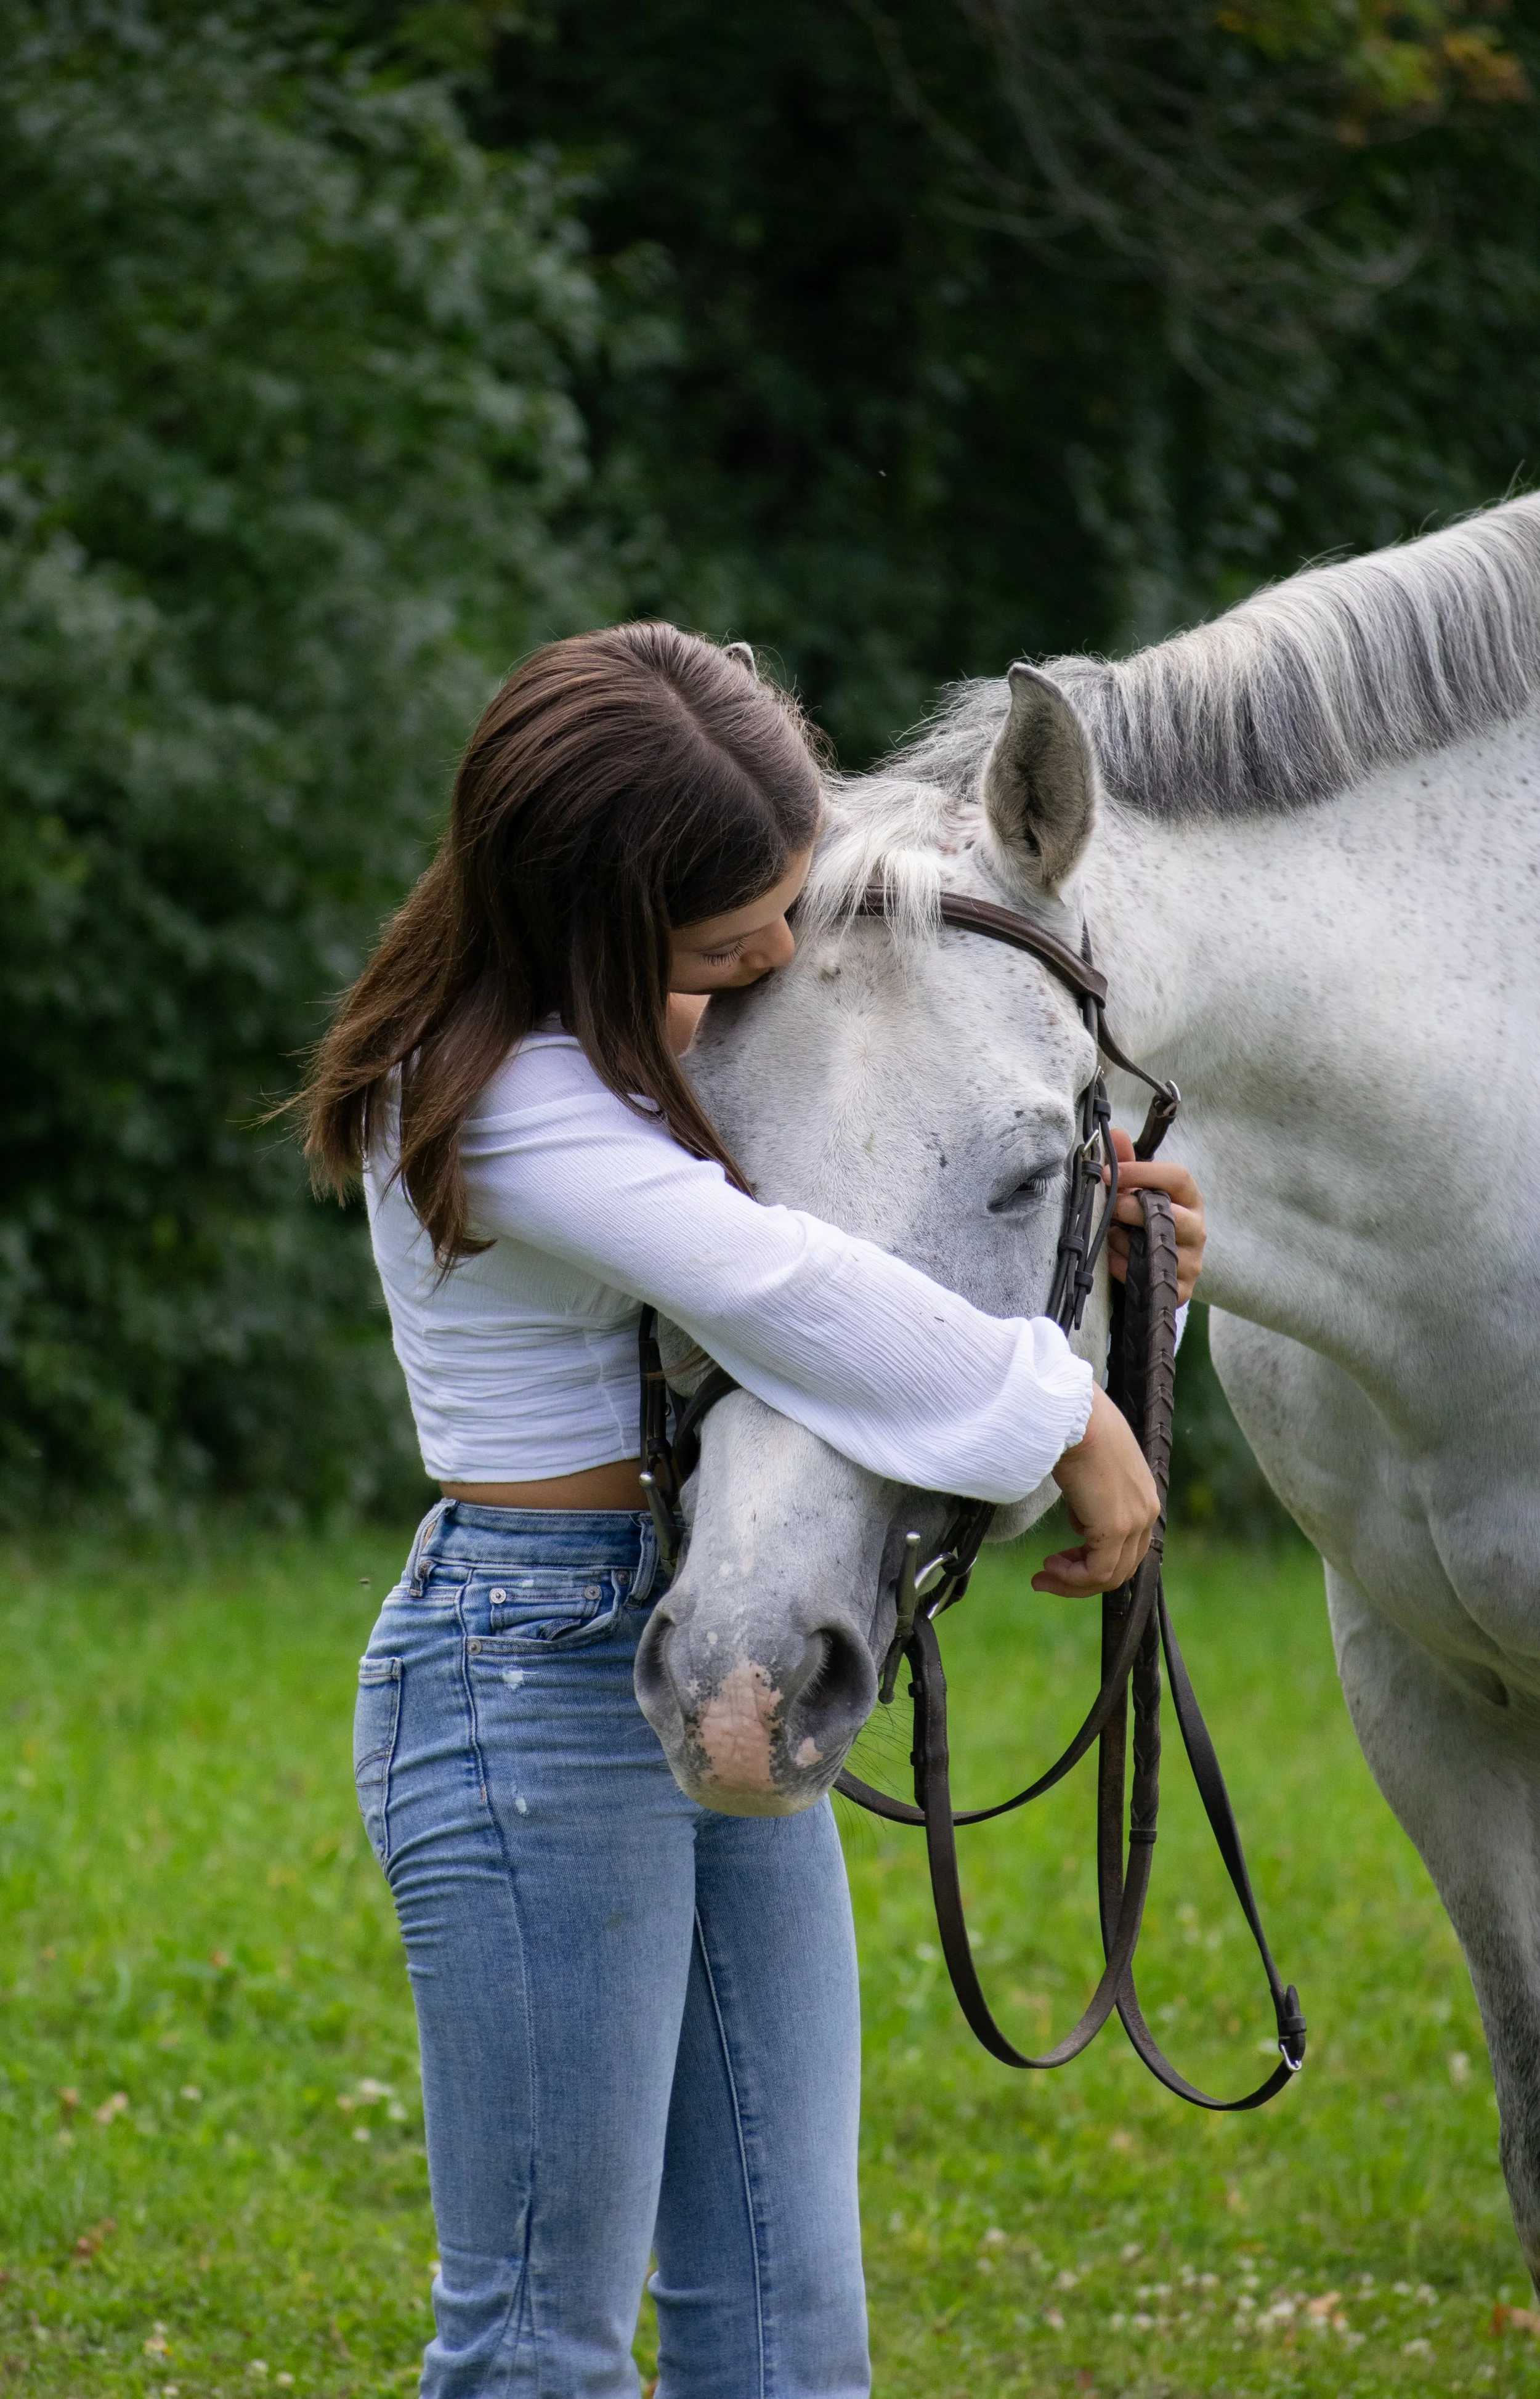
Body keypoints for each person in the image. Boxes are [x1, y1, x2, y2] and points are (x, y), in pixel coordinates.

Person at [301, 624, 1207, 2399]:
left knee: (790, 2319)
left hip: (695, 1609)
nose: (776, 963)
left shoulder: (651, 1058)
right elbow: (783, 1286)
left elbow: (886, 1285)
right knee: (536, 2342)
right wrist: (1070, 1410)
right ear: (593, 922)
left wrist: (1130, 1289)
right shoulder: (498, 1104)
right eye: (731, 945)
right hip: (527, 1668)